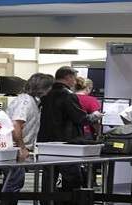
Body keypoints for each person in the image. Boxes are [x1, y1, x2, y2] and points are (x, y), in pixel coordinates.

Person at [0, 73, 54, 205]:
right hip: (14, 148)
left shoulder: (29, 101)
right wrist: (22, 147)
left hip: (14, 147)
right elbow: (16, 125)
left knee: (14, 181)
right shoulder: (26, 102)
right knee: (14, 181)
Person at [38, 67, 102, 195]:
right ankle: (70, 203)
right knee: (72, 175)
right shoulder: (67, 95)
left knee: (49, 176)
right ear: (68, 77)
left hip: (46, 141)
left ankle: (47, 204)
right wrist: (95, 116)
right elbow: (80, 118)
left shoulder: (46, 95)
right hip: (66, 142)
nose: (75, 81)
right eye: (73, 78)